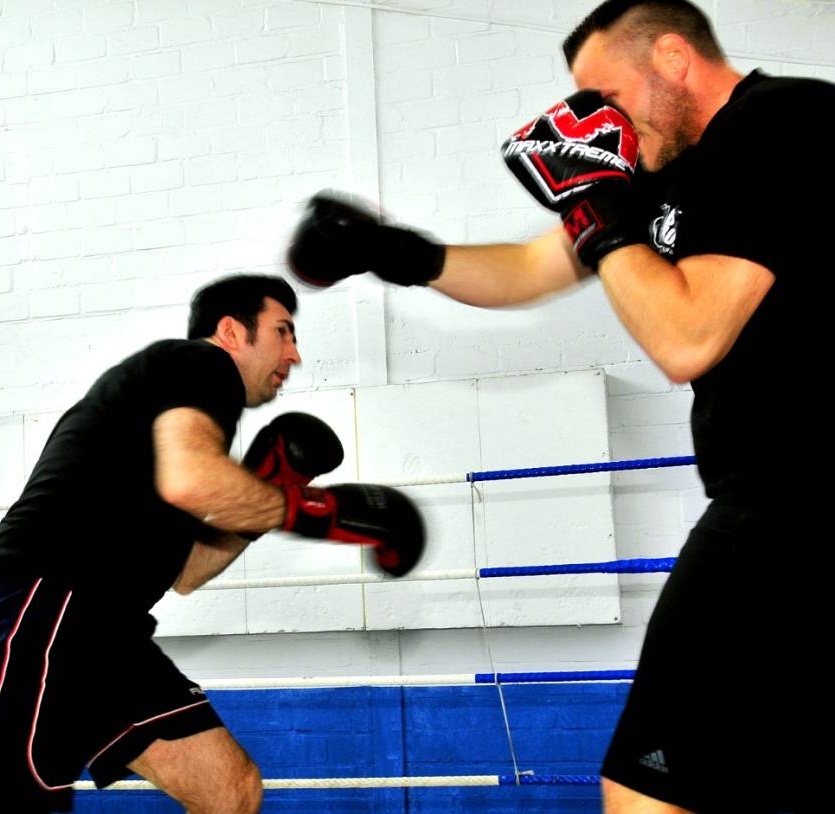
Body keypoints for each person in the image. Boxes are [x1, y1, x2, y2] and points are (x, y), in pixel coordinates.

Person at [285, 1, 828, 811]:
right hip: (782, 501)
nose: (596, 122)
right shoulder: (661, 176)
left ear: (675, 58)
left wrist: (598, 210)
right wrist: (394, 253)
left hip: (793, 500)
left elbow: (686, 338)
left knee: (646, 792)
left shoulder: (783, 124)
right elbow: (530, 270)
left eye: (608, 94)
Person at [0, 273, 425, 813]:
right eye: (283, 332)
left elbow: (188, 572)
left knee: (229, 793)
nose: (294, 354)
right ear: (231, 331)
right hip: (39, 605)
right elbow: (191, 480)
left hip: (101, 630)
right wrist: (322, 512)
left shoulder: (179, 416)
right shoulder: (199, 365)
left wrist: (265, 501)